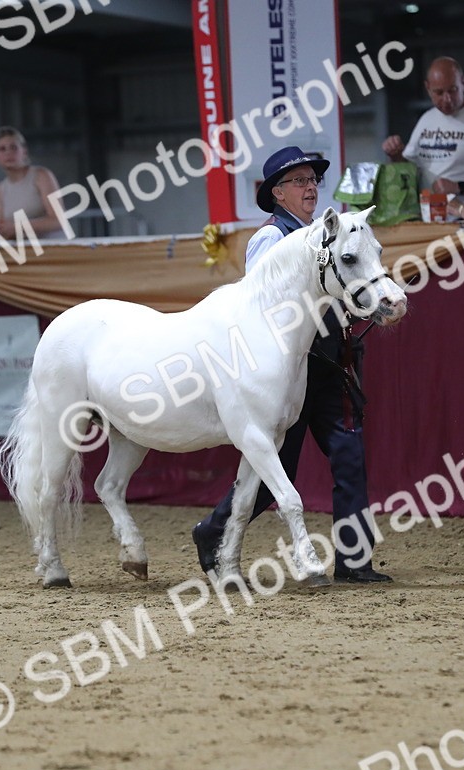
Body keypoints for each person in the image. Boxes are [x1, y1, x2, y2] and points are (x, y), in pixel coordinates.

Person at [191, 145, 391, 584]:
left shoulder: (328, 236)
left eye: (313, 180)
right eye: (299, 181)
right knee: (272, 472)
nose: (311, 188)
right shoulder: (270, 238)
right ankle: (214, 531)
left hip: (328, 365)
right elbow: (263, 306)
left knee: (349, 457)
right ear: (277, 193)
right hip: (286, 374)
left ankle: (355, 561)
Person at [382, 56, 464, 206]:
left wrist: (460, 187)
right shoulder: (427, 119)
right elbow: (409, 169)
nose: (447, 99)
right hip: (428, 215)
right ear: (428, 88)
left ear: (463, 83)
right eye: (439, 92)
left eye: (453, 90)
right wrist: (395, 154)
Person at [0, 126, 64, 240]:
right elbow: (5, 229)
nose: (8, 152)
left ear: (24, 152)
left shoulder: (41, 176)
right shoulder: (0, 190)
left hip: (52, 246)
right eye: (2, 149)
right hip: (25, 249)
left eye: (13, 147)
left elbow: (58, 221)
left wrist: (18, 227)